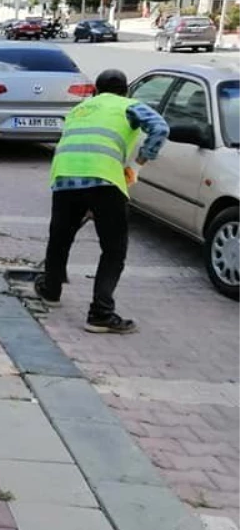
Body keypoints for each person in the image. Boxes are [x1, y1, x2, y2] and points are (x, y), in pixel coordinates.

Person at [36, 69, 169, 334]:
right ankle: (101, 314)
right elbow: (161, 128)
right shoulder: (128, 105)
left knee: (60, 237)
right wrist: (139, 163)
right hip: (106, 180)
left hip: (65, 176)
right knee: (113, 249)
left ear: (96, 91)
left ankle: (50, 290)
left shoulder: (79, 109)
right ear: (126, 91)